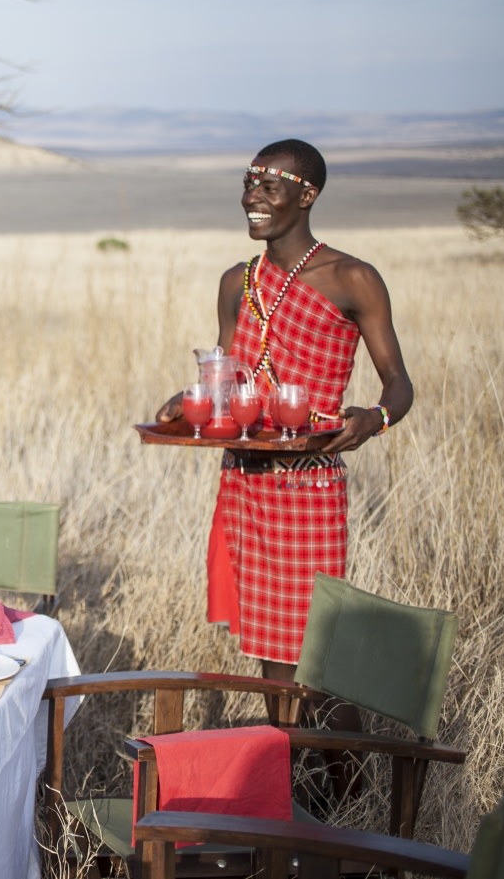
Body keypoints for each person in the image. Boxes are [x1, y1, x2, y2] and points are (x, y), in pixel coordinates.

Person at [158, 139, 413, 685]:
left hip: (309, 485)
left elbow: (400, 385)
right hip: (245, 481)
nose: (253, 198)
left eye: (269, 188)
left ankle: (340, 770)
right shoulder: (236, 282)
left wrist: (374, 418)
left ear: (307, 196)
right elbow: (226, 372)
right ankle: (289, 763)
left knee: (315, 657)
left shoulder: (352, 278)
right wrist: (191, 403)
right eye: (249, 185)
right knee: (270, 650)